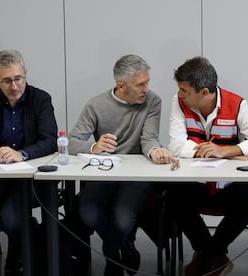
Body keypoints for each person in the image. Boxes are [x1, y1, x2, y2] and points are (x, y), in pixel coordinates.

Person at [68, 54, 176, 276]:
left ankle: (111, 256)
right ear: (121, 85)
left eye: (147, 82)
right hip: (104, 172)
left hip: (136, 176)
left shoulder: (152, 101)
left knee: (122, 214)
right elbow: (71, 141)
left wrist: (155, 151)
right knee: (87, 212)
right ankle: (122, 245)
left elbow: (149, 138)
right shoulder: (96, 104)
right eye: (140, 84)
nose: (146, 88)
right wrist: (93, 147)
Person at [167, 56, 248, 276]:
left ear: (204, 92)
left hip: (228, 185)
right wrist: (205, 150)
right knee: (174, 196)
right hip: (194, 182)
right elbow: (176, 145)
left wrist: (228, 151)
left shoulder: (237, 104)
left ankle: (207, 255)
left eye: (185, 91)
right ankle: (214, 255)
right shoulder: (178, 102)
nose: (180, 95)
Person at [0, 49, 58, 275]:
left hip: (29, 174)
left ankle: (17, 250)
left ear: (26, 74)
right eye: (6, 81)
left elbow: (50, 141)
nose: (14, 86)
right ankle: (28, 233)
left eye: (18, 79)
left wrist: (23, 154)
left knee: (11, 216)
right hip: (0, 172)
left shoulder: (41, 99)